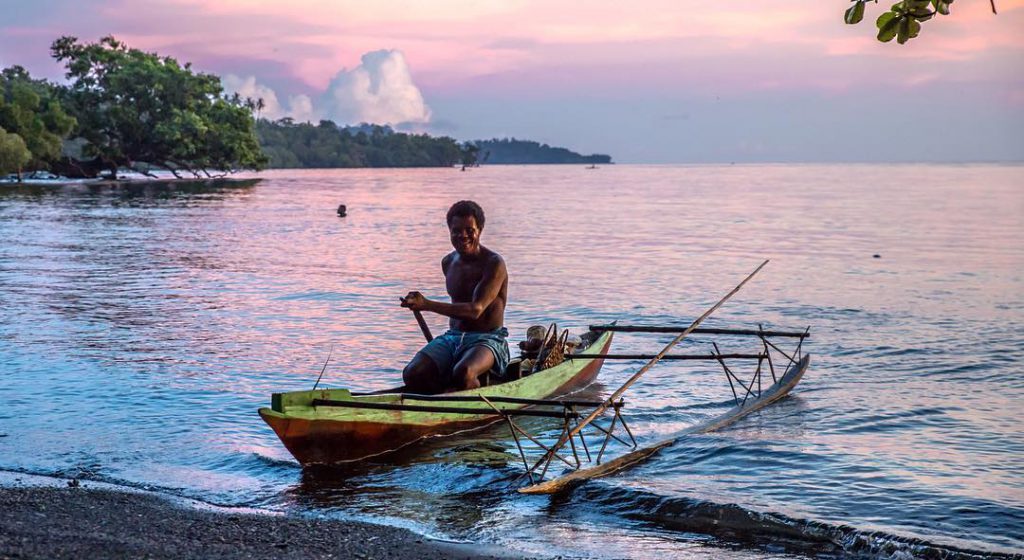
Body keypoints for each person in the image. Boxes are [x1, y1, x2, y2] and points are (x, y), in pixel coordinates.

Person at [400, 201, 509, 393]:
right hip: (453, 337)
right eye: (456, 230)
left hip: (488, 339)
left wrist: (426, 304)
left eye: (470, 230)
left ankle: (478, 393)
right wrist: (415, 302)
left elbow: (476, 310)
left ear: (480, 230)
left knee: (464, 373)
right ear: (449, 230)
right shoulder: (448, 262)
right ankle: (445, 398)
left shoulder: (494, 263)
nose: (463, 236)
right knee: (412, 374)